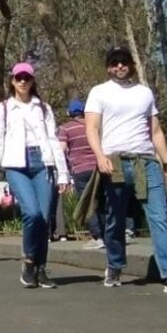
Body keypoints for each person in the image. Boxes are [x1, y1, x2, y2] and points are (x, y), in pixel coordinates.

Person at [84, 46, 167, 292]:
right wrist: (100, 156)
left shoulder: (144, 93)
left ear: (131, 65)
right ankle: (114, 264)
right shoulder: (99, 92)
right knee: (115, 219)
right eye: (114, 63)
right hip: (115, 162)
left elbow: (155, 131)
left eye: (124, 62)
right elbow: (91, 128)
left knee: (160, 217)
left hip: (146, 161)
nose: (120, 67)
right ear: (108, 67)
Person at [0, 63, 69, 289]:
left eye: (27, 78)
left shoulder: (43, 108)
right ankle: (29, 260)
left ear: (32, 81)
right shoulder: (2, 109)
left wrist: (63, 174)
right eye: (18, 78)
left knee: (44, 217)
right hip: (16, 165)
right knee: (31, 213)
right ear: (12, 81)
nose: (23, 82)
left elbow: (53, 140)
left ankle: (40, 269)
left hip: (43, 163)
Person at [57, 98, 104, 248]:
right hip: (99, 167)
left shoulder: (66, 129)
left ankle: (97, 237)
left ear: (69, 113)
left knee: (86, 202)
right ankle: (109, 233)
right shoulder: (94, 126)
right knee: (101, 201)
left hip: (80, 169)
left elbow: (61, 150)